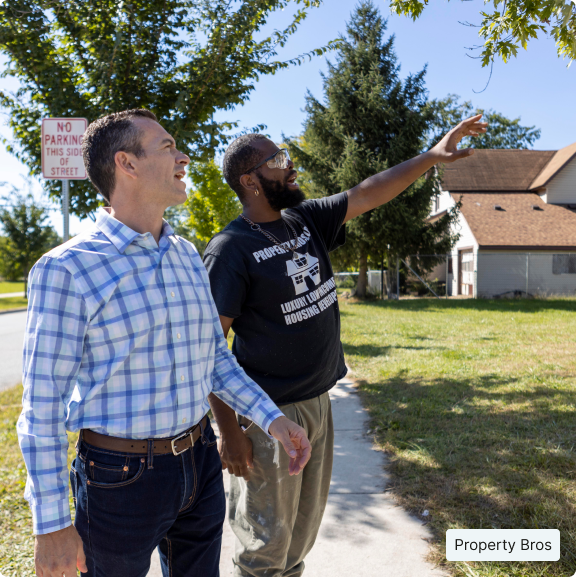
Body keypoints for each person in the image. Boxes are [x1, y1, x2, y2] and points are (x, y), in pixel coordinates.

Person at [17, 109, 312, 577]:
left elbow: (214, 358)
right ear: (126, 164)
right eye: (168, 147)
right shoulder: (66, 269)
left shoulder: (186, 254)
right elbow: (41, 408)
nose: (184, 157)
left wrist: (272, 419)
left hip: (199, 465)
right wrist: (50, 524)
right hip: (118, 481)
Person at [203, 115, 488, 577]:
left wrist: (434, 156)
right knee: (263, 547)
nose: (290, 165)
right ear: (249, 180)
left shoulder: (303, 220)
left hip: (318, 402)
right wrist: (229, 432)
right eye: (277, 160)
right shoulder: (230, 249)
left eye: (287, 155)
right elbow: (209, 350)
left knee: (298, 538)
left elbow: (370, 190)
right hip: (267, 414)